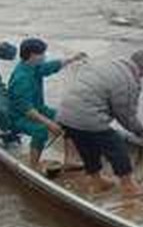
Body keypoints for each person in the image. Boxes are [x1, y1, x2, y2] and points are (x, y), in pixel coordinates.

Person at [57, 50, 143, 197]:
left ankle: (96, 181)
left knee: (87, 145)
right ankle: (129, 187)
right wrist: (139, 131)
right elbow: (126, 115)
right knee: (116, 147)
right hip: (86, 117)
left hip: (65, 114)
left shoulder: (110, 64)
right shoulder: (128, 80)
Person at [7, 38, 86, 169]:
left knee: (69, 119)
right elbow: (27, 110)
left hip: (39, 109)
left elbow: (51, 66)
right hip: (19, 116)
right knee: (41, 131)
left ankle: (70, 160)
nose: (44, 56)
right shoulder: (21, 78)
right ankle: (32, 166)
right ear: (32, 55)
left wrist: (72, 59)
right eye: (42, 54)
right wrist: (49, 124)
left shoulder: (33, 66)